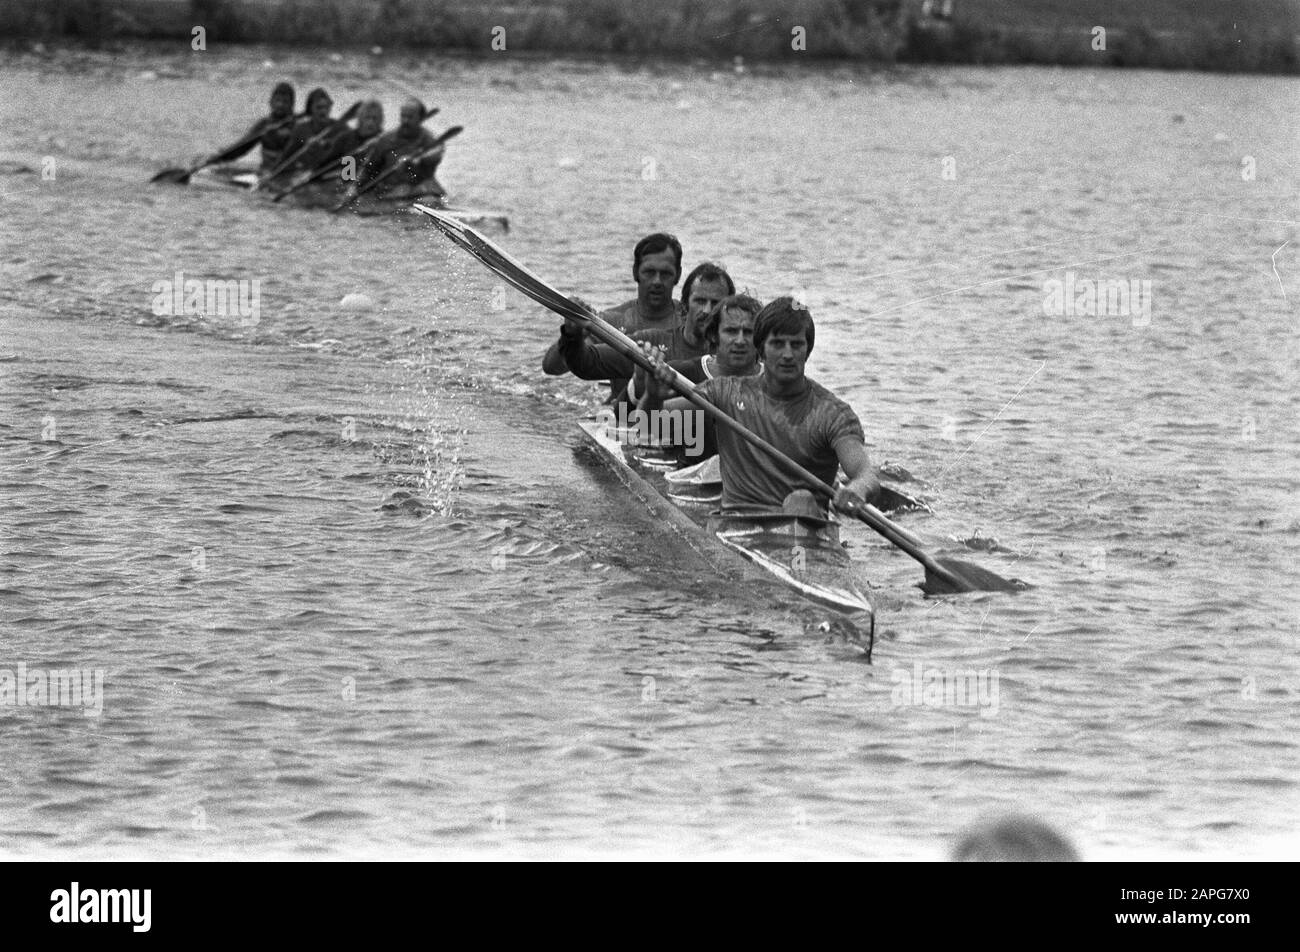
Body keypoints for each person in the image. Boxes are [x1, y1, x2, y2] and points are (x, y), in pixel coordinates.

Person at [640, 296, 881, 517]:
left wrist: (858, 488)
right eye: (777, 344)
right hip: (737, 529)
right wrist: (652, 395)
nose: (787, 355)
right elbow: (648, 423)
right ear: (761, 349)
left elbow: (866, 473)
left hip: (803, 537)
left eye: (796, 345)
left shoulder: (832, 413)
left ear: (807, 351)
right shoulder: (725, 392)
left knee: (801, 500)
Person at [555, 262, 733, 401]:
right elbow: (586, 364)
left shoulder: (740, 354)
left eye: (716, 303)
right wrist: (573, 334)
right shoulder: (650, 344)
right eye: (700, 301)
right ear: (685, 306)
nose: (708, 311)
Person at [541, 233, 687, 399]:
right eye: (649, 272)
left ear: (678, 275)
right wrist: (572, 331)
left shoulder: (690, 322)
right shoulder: (613, 322)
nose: (657, 281)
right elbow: (551, 367)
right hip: (622, 414)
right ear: (635, 272)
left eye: (665, 274)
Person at [354, 97, 445, 196]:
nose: (405, 121)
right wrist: (354, 189)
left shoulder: (430, 139)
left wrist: (417, 159)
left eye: (410, 117)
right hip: (391, 192)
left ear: (421, 118)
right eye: (403, 116)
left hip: (421, 191)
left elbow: (437, 152)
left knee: (431, 192)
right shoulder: (386, 140)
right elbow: (368, 169)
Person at [221, 82, 296, 171]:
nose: (280, 105)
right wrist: (220, 156)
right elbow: (242, 147)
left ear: (292, 105)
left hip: (290, 173)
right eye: (278, 100)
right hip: (266, 172)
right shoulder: (264, 124)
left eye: (285, 102)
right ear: (271, 102)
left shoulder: (298, 125)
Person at [279, 87, 346, 174]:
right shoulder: (300, 129)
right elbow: (285, 158)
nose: (323, 111)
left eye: (326, 107)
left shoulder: (341, 129)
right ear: (311, 109)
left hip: (331, 175)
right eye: (319, 107)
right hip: (305, 175)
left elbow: (350, 158)